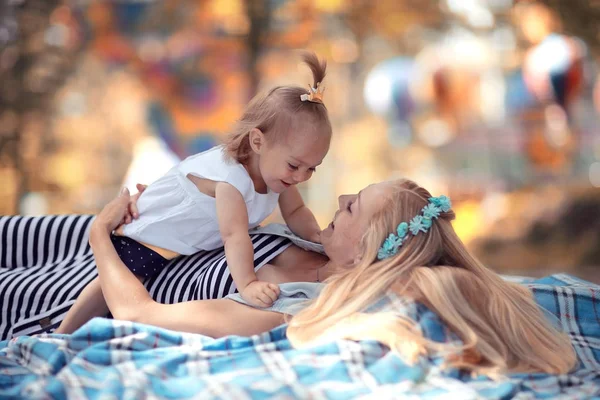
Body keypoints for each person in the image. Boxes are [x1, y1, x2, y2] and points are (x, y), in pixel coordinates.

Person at [87, 178, 576, 376]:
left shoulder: (295, 303)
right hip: (146, 245)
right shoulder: (309, 241)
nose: (340, 200)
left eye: (354, 206)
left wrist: (98, 232)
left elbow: (137, 313)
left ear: (364, 250)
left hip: (102, 279)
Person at [55, 52, 331, 334]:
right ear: (258, 142)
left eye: (312, 169)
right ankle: (63, 331)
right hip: (154, 232)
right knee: (119, 281)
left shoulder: (278, 176)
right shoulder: (231, 183)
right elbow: (235, 237)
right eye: (295, 165)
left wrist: (314, 235)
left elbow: (296, 212)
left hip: (187, 240)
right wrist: (247, 284)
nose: (301, 177)